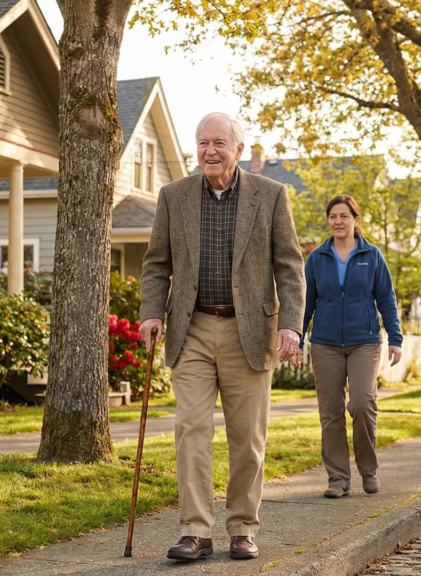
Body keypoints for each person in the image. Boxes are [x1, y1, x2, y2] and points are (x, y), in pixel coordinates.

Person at [139, 112, 306, 561]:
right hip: (190, 328)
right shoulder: (173, 196)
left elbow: (290, 266)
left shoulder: (270, 195)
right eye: (202, 143)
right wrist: (151, 312)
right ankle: (196, 530)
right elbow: (157, 263)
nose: (209, 151)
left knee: (247, 437)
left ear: (237, 147)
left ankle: (243, 529)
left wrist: (290, 324)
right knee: (190, 429)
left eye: (218, 143)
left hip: (249, 330)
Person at [300, 194, 402, 499]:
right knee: (330, 412)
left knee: (361, 403)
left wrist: (395, 338)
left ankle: (368, 470)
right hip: (325, 344)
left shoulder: (372, 255)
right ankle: (338, 479)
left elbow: (386, 298)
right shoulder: (317, 257)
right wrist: (298, 337)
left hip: (365, 342)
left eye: (344, 216)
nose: (338, 222)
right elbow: (306, 303)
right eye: (332, 216)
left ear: (356, 221)